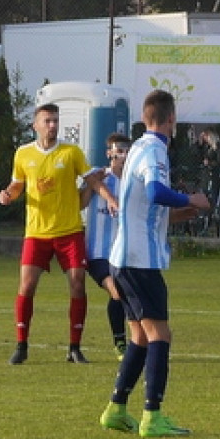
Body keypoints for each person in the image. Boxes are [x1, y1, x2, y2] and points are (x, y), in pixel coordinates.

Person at [99, 90, 210, 438]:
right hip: (140, 261)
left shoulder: (136, 150)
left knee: (140, 338)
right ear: (171, 119)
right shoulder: (155, 150)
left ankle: (116, 409)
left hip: (124, 257)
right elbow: (157, 193)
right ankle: (153, 415)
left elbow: (145, 209)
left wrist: (180, 212)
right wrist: (191, 198)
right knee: (160, 335)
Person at [0, 103, 114, 365]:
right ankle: (21, 345)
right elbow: (16, 185)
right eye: (47, 121)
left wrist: (110, 199)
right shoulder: (23, 154)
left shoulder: (71, 152)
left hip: (69, 231)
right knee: (26, 286)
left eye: (55, 121)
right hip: (36, 233)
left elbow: (93, 180)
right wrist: (7, 195)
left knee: (77, 284)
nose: (52, 125)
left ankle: (74, 347)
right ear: (35, 125)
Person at [80, 132, 131, 360]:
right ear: (109, 153)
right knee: (117, 291)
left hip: (122, 253)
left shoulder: (132, 182)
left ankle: (134, 342)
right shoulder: (99, 179)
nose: (121, 155)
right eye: (117, 151)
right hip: (97, 253)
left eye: (125, 151)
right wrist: (90, 185)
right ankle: (120, 343)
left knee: (127, 295)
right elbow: (79, 204)